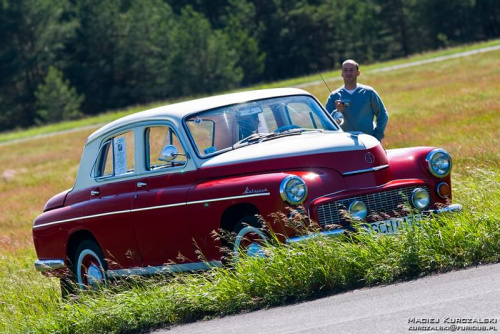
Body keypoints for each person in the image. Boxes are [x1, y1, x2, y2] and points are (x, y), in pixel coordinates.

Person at [325, 59, 389, 142]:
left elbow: (383, 115)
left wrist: (377, 136)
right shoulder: (333, 96)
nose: (348, 73)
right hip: (344, 144)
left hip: (368, 142)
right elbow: (327, 123)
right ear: (342, 73)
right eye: (345, 70)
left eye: (351, 70)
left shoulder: (369, 92)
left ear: (358, 73)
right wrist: (337, 111)